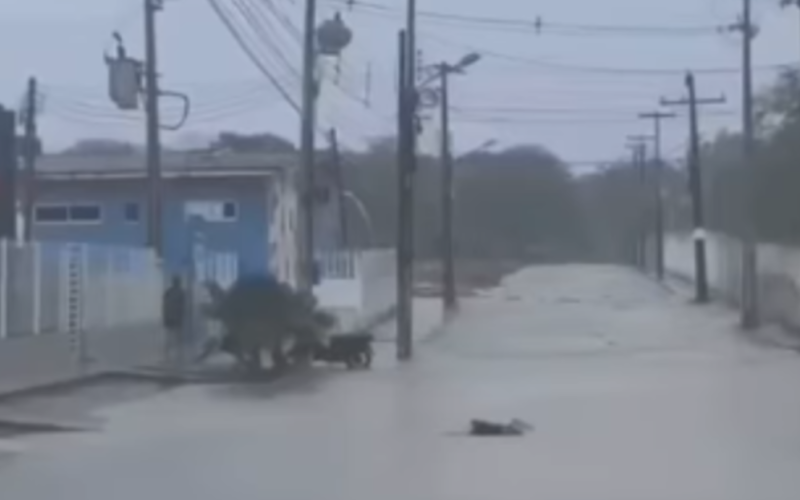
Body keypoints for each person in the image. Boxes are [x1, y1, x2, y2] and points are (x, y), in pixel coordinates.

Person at [162, 275, 186, 362]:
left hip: (169, 318)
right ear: (179, 283)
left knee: (169, 337)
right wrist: (182, 318)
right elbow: (182, 307)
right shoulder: (181, 292)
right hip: (177, 318)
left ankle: (167, 354)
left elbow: (164, 306)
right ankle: (179, 354)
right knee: (178, 337)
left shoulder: (168, 292)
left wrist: (164, 318)